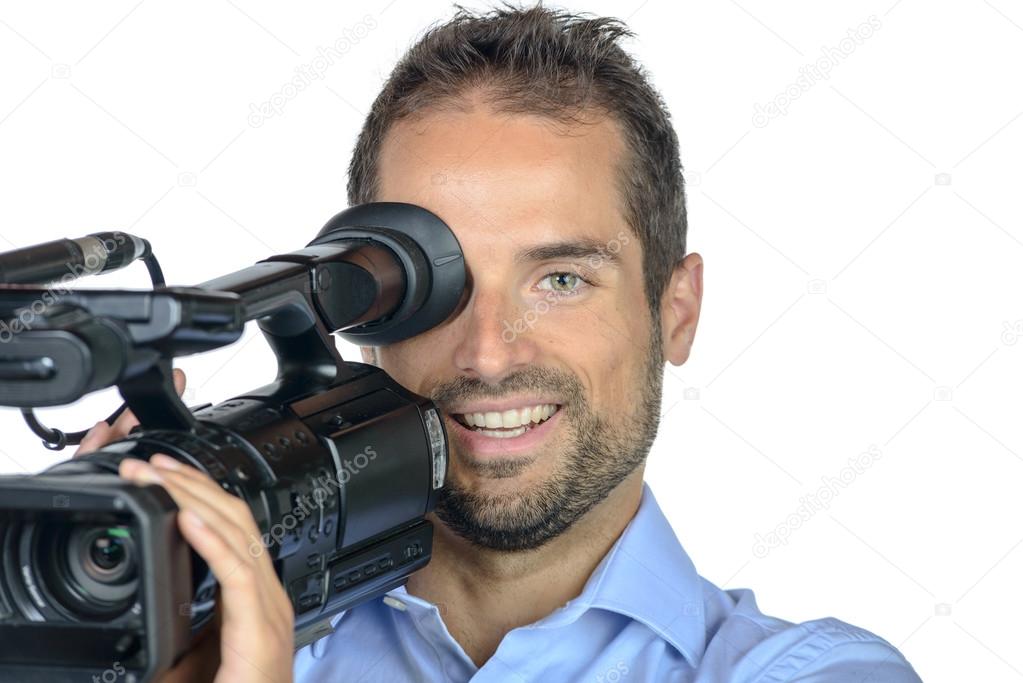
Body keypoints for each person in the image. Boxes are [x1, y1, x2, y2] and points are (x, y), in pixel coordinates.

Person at [78, 5, 922, 682]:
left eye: (560, 279)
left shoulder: (812, 670)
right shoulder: (203, 656)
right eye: (435, 288)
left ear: (676, 311)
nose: (487, 354)